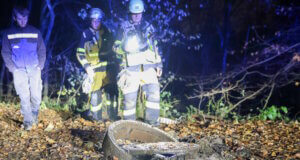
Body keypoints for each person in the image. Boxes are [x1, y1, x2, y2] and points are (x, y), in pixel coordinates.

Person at [113, 0, 163, 125]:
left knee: (154, 94)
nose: (136, 16)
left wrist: (159, 64)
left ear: (142, 13)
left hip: (148, 66)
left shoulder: (148, 26)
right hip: (131, 68)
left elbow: (155, 46)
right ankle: (128, 127)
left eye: (139, 13)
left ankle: (152, 124)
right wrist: (123, 47)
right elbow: (115, 47)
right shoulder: (123, 27)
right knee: (129, 98)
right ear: (129, 13)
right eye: (134, 13)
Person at [1, 6, 46, 130]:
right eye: (20, 18)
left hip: (34, 68)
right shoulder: (8, 33)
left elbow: (42, 50)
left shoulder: (35, 32)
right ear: (15, 18)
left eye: (25, 18)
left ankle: (34, 114)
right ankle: (27, 121)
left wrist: (40, 66)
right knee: (24, 95)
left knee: (36, 95)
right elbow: (5, 52)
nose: (22, 21)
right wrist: (12, 68)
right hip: (18, 69)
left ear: (27, 18)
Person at [76, 8, 116, 121]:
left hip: (108, 68)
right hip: (94, 69)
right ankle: (96, 119)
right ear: (90, 20)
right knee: (95, 94)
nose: (95, 23)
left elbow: (114, 49)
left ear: (101, 21)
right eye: (93, 20)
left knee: (112, 93)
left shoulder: (107, 32)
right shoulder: (86, 34)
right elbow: (79, 53)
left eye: (98, 21)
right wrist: (87, 67)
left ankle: (113, 118)